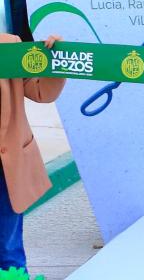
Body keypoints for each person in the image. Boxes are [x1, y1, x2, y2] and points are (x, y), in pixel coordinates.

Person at [0, 33, 64, 270]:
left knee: (7, 249)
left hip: (5, 167)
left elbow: (41, 92)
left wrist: (54, 59)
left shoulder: (9, 45)